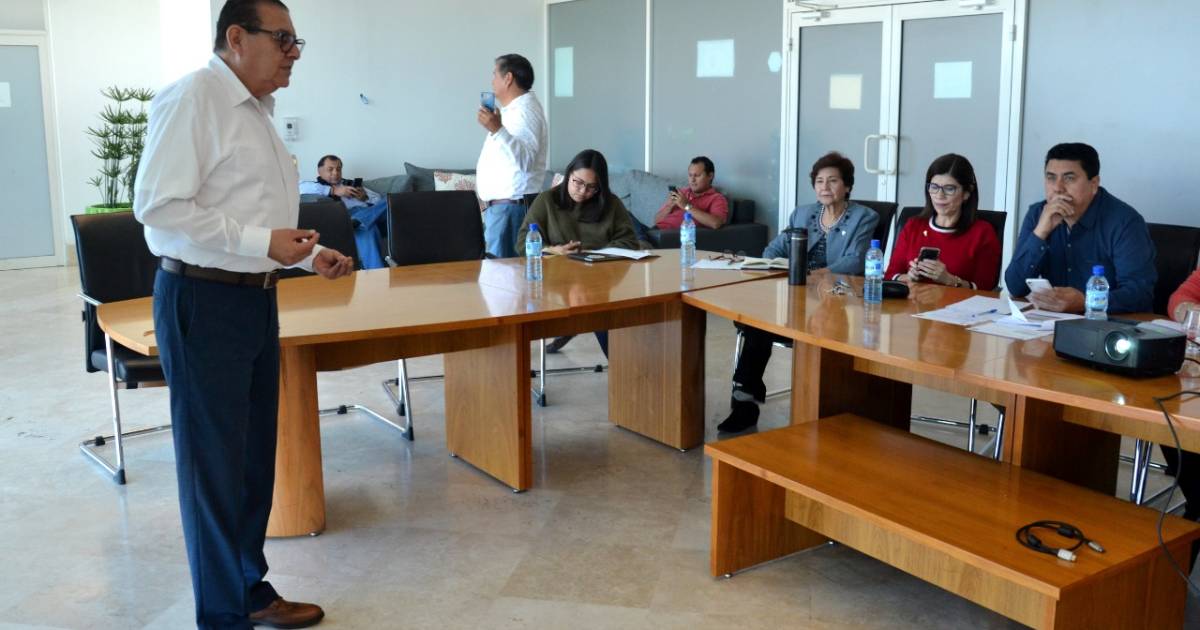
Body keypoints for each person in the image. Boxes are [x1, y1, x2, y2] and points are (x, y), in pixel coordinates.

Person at [133, 1, 353, 627]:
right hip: (202, 301)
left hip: (255, 296)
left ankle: (249, 591)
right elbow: (157, 206)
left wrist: (307, 258)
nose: (294, 53)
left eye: (296, 41)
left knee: (254, 461)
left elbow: (253, 217)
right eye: (283, 39)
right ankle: (221, 616)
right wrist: (263, 243)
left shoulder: (257, 110)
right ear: (236, 37)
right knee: (214, 469)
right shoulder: (193, 99)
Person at [718, 151, 879, 433]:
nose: (825, 187)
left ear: (847, 186)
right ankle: (745, 403)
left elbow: (855, 261)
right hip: (796, 295)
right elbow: (775, 248)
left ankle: (748, 400)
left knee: (758, 326)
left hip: (837, 302)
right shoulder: (803, 213)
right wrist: (768, 263)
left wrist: (818, 274)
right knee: (757, 319)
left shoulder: (863, 217)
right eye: (819, 181)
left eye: (833, 181)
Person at [1004, 142, 1155, 313]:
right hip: (1050, 322)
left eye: (1069, 178)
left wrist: (1086, 301)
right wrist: (1041, 232)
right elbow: (1015, 287)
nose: (1058, 188)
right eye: (1051, 178)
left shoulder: (1125, 222)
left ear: (1094, 184)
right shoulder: (1038, 214)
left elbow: (1140, 294)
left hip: (1106, 323)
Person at [516, 149, 639, 357]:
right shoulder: (548, 200)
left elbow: (630, 242)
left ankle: (622, 365)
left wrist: (594, 253)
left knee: (606, 313)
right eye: (578, 182)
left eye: (591, 187)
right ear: (569, 174)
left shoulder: (610, 204)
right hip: (556, 281)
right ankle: (573, 327)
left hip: (599, 280)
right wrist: (552, 250)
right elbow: (522, 242)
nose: (583, 191)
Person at [885, 153, 1001, 290]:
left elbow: (986, 287)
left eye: (949, 189)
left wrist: (950, 280)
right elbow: (890, 275)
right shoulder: (913, 226)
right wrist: (909, 277)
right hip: (913, 302)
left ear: (966, 193)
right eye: (934, 187)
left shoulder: (982, 233)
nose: (939, 195)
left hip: (958, 303)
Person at [476, 53, 548, 258]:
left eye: (494, 74)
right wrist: (497, 128)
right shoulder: (514, 110)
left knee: (503, 274)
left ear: (508, 78)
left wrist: (498, 130)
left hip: (511, 209)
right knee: (500, 274)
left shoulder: (525, 112)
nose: (492, 81)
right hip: (504, 209)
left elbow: (526, 161)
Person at [299, 154, 387, 269]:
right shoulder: (317, 186)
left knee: (390, 200)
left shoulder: (351, 184)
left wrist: (365, 197)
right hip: (348, 216)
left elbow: (379, 200)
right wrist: (333, 190)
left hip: (368, 215)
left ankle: (360, 220)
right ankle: (376, 272)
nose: (335, 173)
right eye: (330, 169)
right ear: (319, 171)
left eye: (338, 169)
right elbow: (300, 187)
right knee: (368, 228)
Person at [653, 156, 729, 230]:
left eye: (697, 175)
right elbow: (656, 221)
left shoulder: (717, 198)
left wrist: (686, 206)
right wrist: (669, 206)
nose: (692, 180)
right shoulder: (682, 192)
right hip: (655, 231)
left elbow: (716, 223)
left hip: (671, 235)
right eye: (690, 175)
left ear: (710, 176)